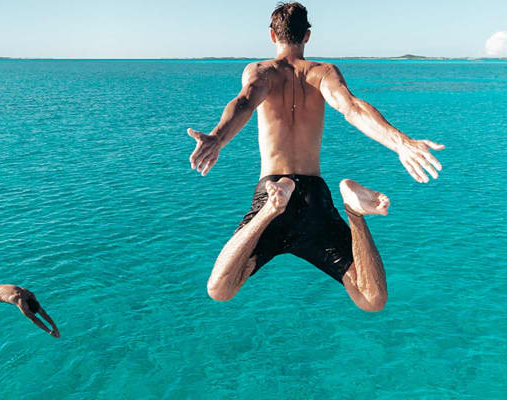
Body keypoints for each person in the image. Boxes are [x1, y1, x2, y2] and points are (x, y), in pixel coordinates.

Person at [187, 2, 444, 312]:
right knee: (372, 299)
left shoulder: (260, 72)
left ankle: (270, 211)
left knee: (220, 288)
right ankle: (354, 210)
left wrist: (218, 137)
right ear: (307, 36)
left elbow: (244, 103)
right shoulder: (323, 73)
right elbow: (351, 108)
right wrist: (399, 142)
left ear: (272, 35)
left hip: (274, 188)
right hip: (314, 196)